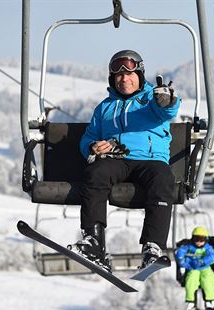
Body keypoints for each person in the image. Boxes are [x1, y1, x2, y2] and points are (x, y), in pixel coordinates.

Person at [72, 49, 181, 271]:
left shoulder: (151, 99)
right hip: (117, 158)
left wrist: (168, 101)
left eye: (130, 74)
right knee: (96, 173)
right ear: (112, 79)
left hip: (150, 160)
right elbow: (89, 137)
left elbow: (167, 110)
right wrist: (92, 147)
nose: (124, 79)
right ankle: (93, 242)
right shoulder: (104, 107)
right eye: (119, 76)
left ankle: (153, 246)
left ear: (140, 76)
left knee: (162, 179)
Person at [175, 226, 214, 310]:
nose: (199, 242)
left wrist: (203, 261)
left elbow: (213, 256)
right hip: (193, 268)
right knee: (191, 280)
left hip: (205, 268)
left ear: (205, 240)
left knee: (208, 280)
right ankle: (190, 302)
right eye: (196, 239)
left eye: (201, 239)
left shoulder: (207, 248)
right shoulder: (189, 247)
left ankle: (208, 301)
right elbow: (180, 252)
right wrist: (183, 261)